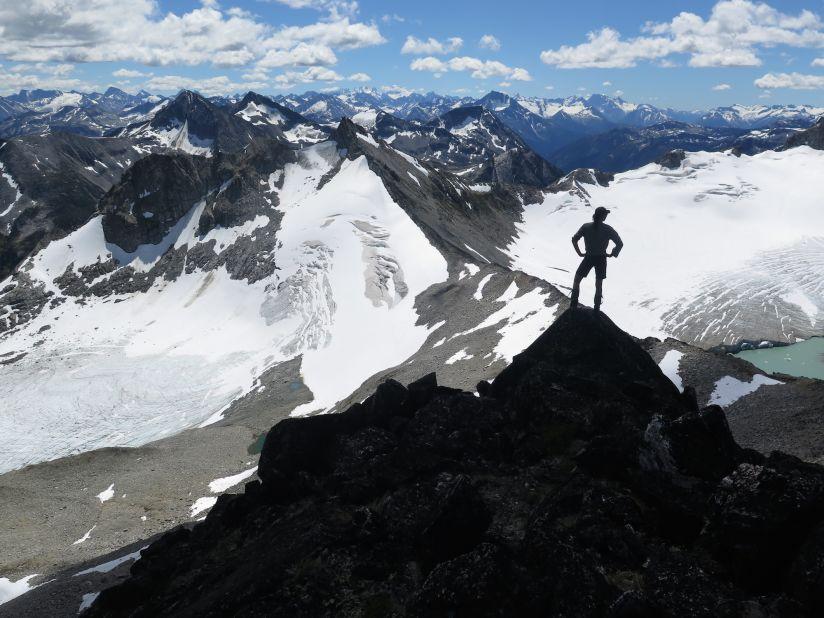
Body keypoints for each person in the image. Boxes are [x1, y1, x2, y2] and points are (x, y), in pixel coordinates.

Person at [570, 206, 623, 312]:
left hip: (588, 257)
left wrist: (579, 253)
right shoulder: (608, 229)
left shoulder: (586, 226)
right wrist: (613, 253)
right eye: (605, 214)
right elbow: (620, 243)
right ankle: (597, 308)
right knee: (598, 284)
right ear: (602, 216)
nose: (606, 216)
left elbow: (574, 239)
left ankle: (573, 305)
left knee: (577, 280)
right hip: (601, 258)